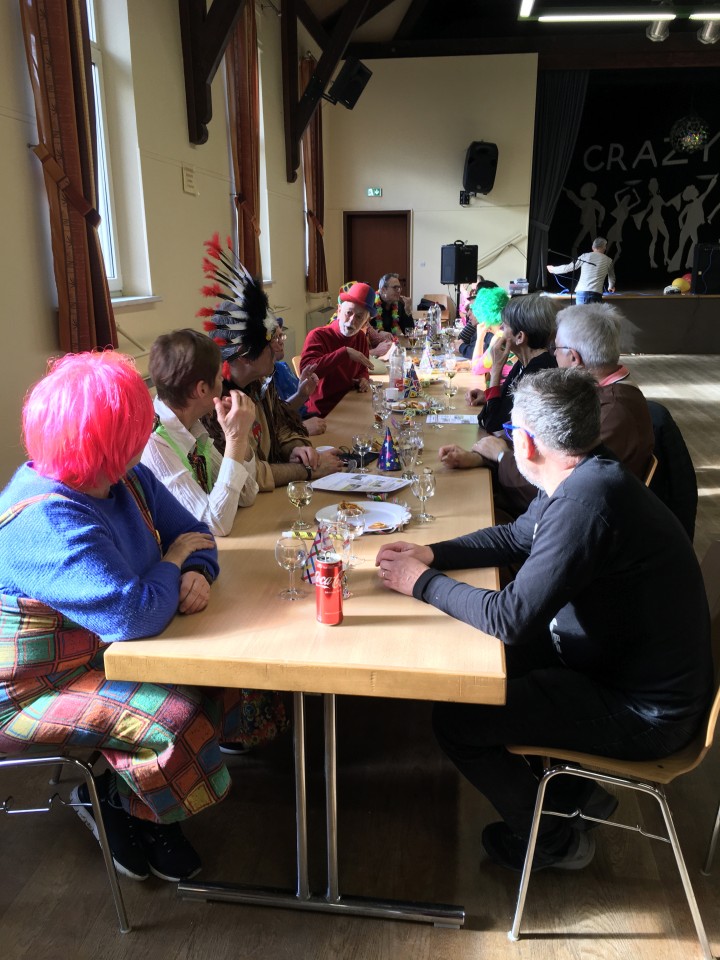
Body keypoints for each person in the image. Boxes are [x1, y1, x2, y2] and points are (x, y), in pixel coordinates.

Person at [376, 368, 712, 872]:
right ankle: (576, 795)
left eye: (511, 430)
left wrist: (419, 582)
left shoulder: (585, 503)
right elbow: (516, 536)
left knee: (459, 720)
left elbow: (510, 617)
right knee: (488, 671)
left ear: (527, 442)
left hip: (644, 711)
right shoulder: (586, 469)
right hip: (619, 667)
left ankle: (552, 842)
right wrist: (432, 554)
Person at [0, 351, 287, 884]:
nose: (147, 434)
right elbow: (134, 614)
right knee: (174, 715)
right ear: (110, 439)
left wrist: (196, 570)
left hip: (109, 650)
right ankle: (120, 803)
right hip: (34, 685)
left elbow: (197, 534)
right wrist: (174, 562)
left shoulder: (126, 478)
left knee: (226, 676)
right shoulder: (46, 518)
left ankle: (134, 801)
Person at [468, 302, 655, 517]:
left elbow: (552, 485)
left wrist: (501, 456)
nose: (552, 356)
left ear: (574, 358)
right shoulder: (593, 393)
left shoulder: (611, 413)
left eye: (555, 349)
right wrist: (484, 456)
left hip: (559, 516)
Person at [198, 236, 342, 487]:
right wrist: (306, 471)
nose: (278, 348)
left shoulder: (260, 383)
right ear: (244, 355)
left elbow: (282, 426)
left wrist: (295, 449)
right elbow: (246, 478)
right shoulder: (217, 408)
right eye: (270, 341)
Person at [142, 329, 259, 536]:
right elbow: (214, 524)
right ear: (202, 389)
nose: (223, 382)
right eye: (219, 377)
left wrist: (243, 434)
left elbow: (247, 493)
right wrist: (235, 439)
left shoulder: (191, 424)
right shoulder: (154, 442)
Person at [439, 294, 556, 470]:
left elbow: (492, 424)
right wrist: (491, 395)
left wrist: (495, 370)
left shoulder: (537, 373)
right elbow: (487, 416)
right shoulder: (525, 363)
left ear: (520, 337)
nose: (500, 329)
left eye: (505, 326)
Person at [300, 281, 376, 418]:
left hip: (350, 404)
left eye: (359, 317)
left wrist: (363, 379)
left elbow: (362, 369)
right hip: (321, 413)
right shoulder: (318, 335)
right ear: (339, 310)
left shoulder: (360, 338)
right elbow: (306, 372)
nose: (352, 321)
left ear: (366, 321)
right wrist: (344, 352)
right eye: (349, 312)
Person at [270, 317, 327, 436]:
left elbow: (284, 411)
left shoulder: (282, 368)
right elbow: (270, 426)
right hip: (293, 431)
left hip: (302, 422)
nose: (281, 342)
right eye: (275, 337)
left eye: (281, 336)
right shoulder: (257, 382)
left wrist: (302, 394)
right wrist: (301, 427)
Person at [547, 237, 616, 304]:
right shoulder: (609, 260)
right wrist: (610, 287)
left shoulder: (585, 256)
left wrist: (553, 269)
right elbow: (611, 277)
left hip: (581, 293)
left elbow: (569, 267)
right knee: (594, 313)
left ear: (593, 247)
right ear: (604, 247)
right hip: (596, 294)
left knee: (581, 312)